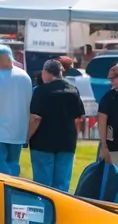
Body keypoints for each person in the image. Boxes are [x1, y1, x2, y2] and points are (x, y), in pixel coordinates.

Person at [28, 59, 85, 191]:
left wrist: (27, 137)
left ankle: (44, 204)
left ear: (47, 73)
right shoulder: (73, 90)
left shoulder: (40, 91)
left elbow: (36, 118)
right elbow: (79, 117)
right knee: (62, 184)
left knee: (43, 185)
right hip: (67, 142)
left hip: (43, 142)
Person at [0, 44, 33, 176]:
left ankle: (4, 187)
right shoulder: (25, 77)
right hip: (18, 130)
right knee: (13, 163)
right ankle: (13, 185)